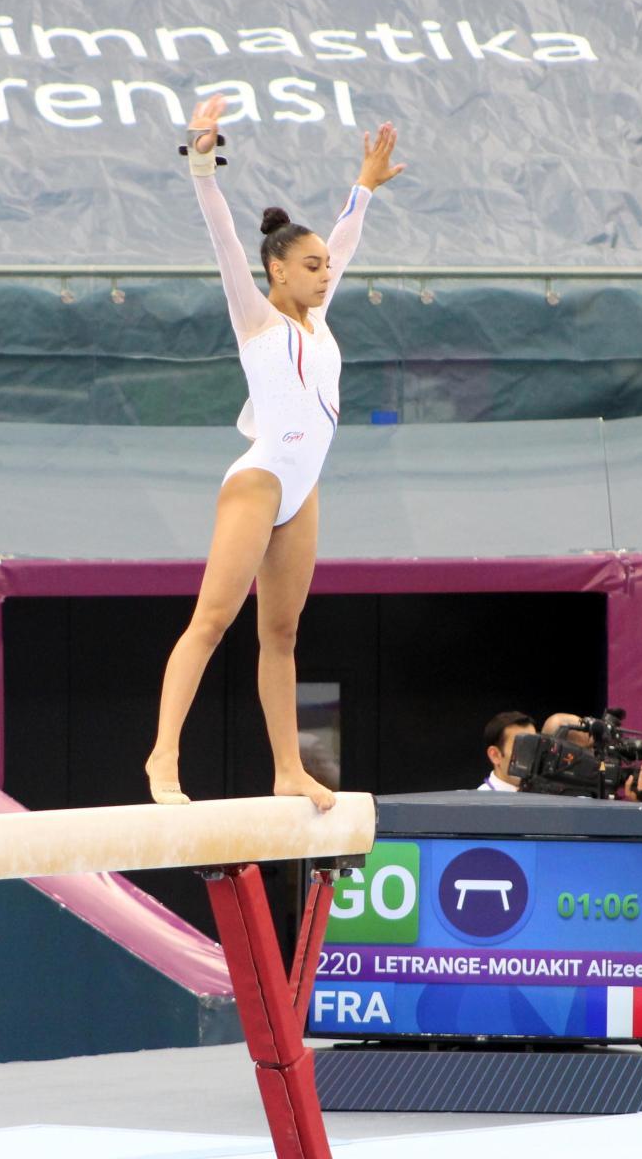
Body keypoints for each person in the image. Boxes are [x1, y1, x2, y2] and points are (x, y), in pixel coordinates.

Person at [144, 94, 404, 809]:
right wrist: (202, 162)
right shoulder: (256, 318)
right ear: (279, 272)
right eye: (313, 265)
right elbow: (223, 236)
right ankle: (163, 759)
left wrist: (364, 188)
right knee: (213, 620)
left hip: (302, 489)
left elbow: (346, 239)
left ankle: (287, 766)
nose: (327, 273)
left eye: (328, 266)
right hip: (259, 481)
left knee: (282, 633)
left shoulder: (318, 319)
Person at [477, 710, 642, 798]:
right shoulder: (477, 805)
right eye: (525, 748)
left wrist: (641, 807)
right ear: (495, 755)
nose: (534, 755)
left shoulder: (567, 795)